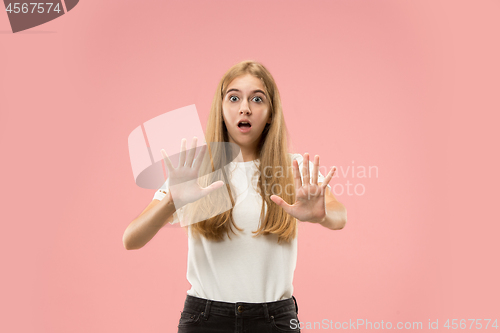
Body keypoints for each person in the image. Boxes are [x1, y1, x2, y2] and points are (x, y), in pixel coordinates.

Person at [123, 60, 347, 333]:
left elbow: (340, 217)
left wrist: (321, 215)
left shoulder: (293, 169)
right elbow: (131, 239)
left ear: (271, 113)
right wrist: (173, 200)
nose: (245, 108)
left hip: (274, 321)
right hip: (204, 319)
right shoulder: (195, 170)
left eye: (257, 98)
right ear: (221, 109)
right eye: (234, 98)